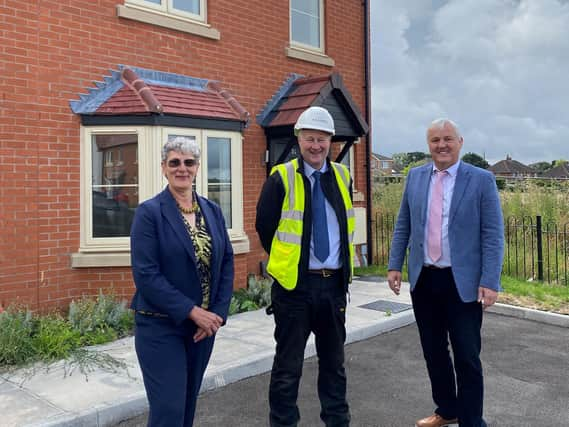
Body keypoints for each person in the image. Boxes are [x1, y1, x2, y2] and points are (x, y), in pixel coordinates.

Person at [387, 119, 504, 427]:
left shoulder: (481, 180)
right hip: (425, 279)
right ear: (429, 145)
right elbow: (404, 225)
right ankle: (447, 409)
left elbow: (493, 234)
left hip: (462, 282)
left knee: (467, 356)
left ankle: (471, 420)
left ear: (460, 142)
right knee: (434, 351)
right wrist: (394, 264)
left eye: (447, 139)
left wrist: (490, 281)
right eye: (435, 140)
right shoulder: (414, 177)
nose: (442, 145)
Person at [256, 106, 355, 427]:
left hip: (333, 287)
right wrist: (292, 263)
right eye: (310, 138)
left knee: (334, 366)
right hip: (294, 289)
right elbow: (265, 228)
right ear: (299, 139)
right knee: (288, 369)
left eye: (322, 139)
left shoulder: (342, 176)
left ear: (331, 142)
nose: (316, 145)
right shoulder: (281, 177)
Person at [130, 136, 234, 427]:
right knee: (169, 413)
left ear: (197, 167)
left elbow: (226, 262)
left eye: (189, 162)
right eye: (174, 162)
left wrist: (217, 316)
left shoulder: (212, 211)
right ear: (163, 168)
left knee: (186, 409)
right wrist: (193, 312)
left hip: (201, 331)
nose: (182, 168)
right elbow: (146, 275)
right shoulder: (149, 214)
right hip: (160, 327)